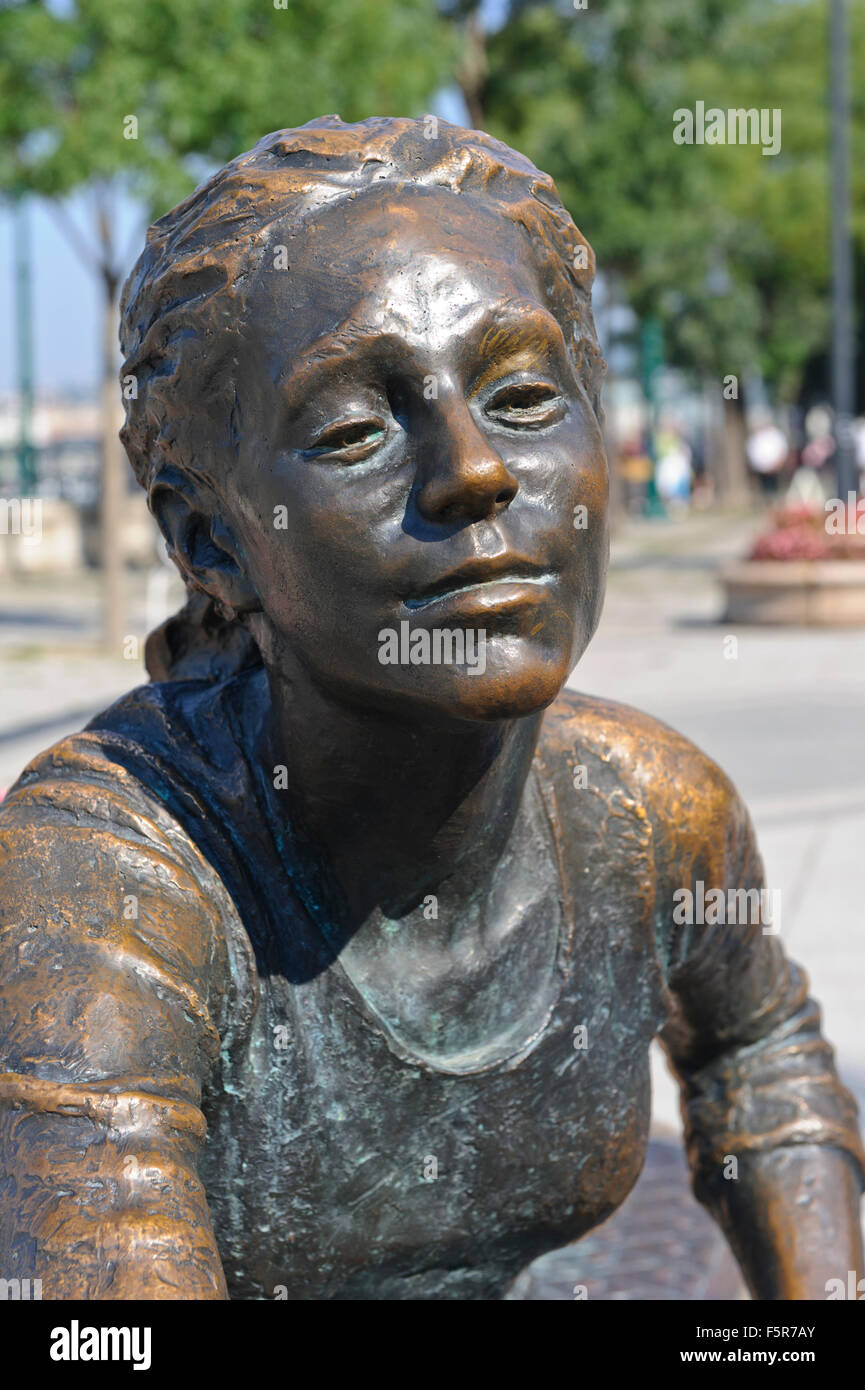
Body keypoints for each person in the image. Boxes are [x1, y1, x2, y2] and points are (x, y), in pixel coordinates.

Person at [0, 118, 862, 1301]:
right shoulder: (112, 882)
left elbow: (760, 1053)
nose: (474, 469)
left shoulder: (651, 809)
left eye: (520, 395)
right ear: (212, 538)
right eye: (354, 431)